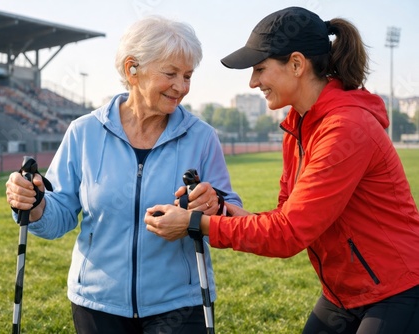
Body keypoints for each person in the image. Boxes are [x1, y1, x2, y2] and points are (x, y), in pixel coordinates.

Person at [145, 7, 419, 334]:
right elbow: (283, 217)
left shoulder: (345, 128)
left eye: (260, 68)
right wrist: (219, 211)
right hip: (343, 292)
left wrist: (197, 224)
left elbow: (288, 235)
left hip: (398, 288)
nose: (252, 82)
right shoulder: (298, 128)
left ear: (297, 64)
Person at [5, 16, 241, 334]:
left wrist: (211, 207)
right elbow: (57, 216)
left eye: (187, 76)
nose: (182, 87)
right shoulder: (83, 132)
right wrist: (34, 205)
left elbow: (229, 214)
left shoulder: (202, 137)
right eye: (171, 74)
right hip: (97, 304)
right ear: (132, 68)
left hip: (179, 306)